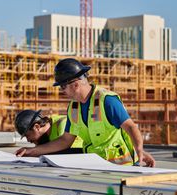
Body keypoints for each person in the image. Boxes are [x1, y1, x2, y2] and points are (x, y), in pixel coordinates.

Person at [16, 58, 155, 167]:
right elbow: (65, 141)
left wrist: (139, 150)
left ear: (75, 84)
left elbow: (130, 127)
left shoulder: (107, 101)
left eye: (63, 86)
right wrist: (31, 152)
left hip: (121, 166)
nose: (62, 90)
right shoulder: (73, 108)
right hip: (94, 163)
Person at [14, 109, 83, 156]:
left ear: (37, 127)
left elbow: (67, 149)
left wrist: (33, 151)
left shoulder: (63, 125)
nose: (28, 140)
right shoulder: (44, 138)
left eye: (27, 135)